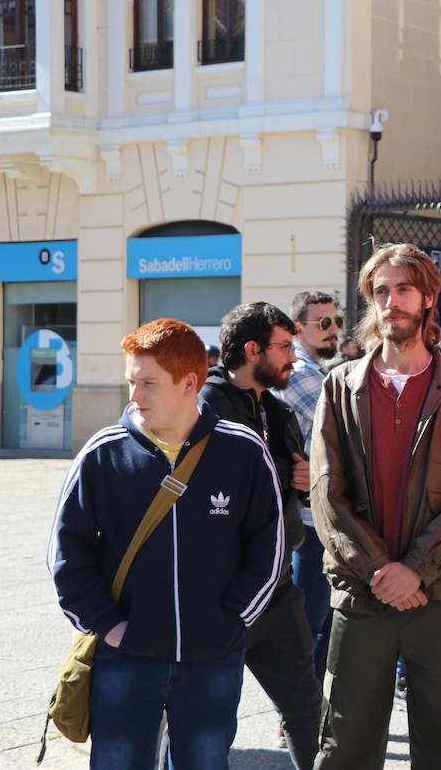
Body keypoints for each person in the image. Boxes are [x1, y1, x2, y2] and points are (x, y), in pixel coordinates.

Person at [48, 318, 284, 769]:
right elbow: (66, 556)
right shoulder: (102, 454)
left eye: (148, 383)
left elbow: (268, 551)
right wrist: (110, 627)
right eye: (131, 381)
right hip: (125, 658)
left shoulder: (244, 451)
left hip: (212, 658)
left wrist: (229, 622)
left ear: (189, 382)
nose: (134, 396)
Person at [311, 242, 441, 770]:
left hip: (438, 595)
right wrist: (381, 572)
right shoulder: (340, 386)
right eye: (381, 291)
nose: (391, 301)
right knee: (345, 747)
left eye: (404, 289)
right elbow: (325, 493)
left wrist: (416, 570)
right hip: (362, 595)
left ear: (429, 297)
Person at [200, 302, 321, 769]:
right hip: (220, 597)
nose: (294, 356)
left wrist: (308, 482)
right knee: (207, 718)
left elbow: (300, 490)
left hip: (277, 589)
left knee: (306, 707)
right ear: (252, 350)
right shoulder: (205, 409)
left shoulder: (276, 408)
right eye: (284, 346)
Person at [271, 290, 342, 680]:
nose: (333, 331)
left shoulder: (318, 372)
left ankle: (306, 707)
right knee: (312, 621)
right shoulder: (301, 376)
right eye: (324, 324)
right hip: (311, 519)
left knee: (323, 619)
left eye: (336, 322)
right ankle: (297, 712)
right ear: (299, 329)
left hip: (320, 514)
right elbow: (350, 434)